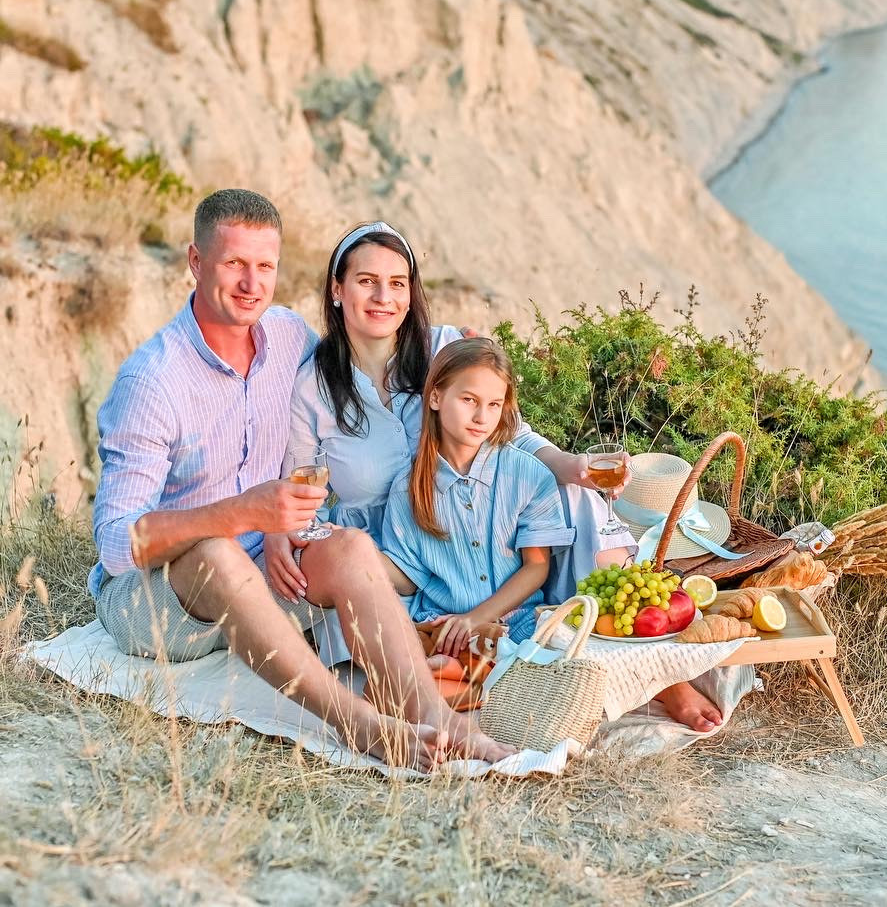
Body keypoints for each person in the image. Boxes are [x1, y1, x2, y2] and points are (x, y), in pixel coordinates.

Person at [88, 189, 512, 769]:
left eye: (265, 266)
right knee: (218, 549)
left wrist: (448, 348)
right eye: (234, 263)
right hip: (161, 605)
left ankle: (435, 718)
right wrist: (242, 513)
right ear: (195, 262)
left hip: (270, 580)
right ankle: (359, 724)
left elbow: (366, 359)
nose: (250, 283)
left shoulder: (287, 338)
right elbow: (117, 545)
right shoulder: (153, 381)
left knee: (349, 546)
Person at [285, 220, 723, 732]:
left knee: (576, 498)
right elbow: (301, 487)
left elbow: (509, 431)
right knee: (409, 644)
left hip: (487, 528)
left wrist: (569, 467)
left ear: (412, 292)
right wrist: (303, 543)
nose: (383, 296)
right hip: (401, 547)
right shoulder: (315, 384)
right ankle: (463, 682)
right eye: (366, 281)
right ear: (337, 290)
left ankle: (658, 674)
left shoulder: (442, 347)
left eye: (398, 282)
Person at [379, 339, 574, 656]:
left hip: (519, 626)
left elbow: (536, 568)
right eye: (469, 400)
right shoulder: (407, 487)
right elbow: (409, 578)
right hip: (441, 629)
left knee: (561, 657)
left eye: (494, 404)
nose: (482, 416)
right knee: (413, 663)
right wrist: (354, 551)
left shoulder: (529, 475)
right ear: (436, 397)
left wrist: (475, 619)